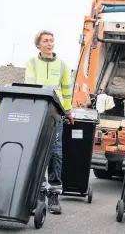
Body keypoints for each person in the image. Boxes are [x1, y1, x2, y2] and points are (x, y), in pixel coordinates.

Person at [25, 30, 74, 214]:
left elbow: (66, 91)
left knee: (55, 153)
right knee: (38, 152)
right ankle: (40, 190)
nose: (49, 43)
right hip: (37, 113)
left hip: (56, 115)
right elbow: (29, 87)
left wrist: (68, 112)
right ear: (38, 44)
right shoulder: (31, 64)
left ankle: (54, 193)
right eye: (45, 41)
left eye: (52, 40)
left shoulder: (62, 65)